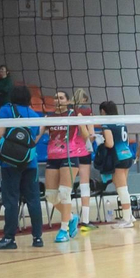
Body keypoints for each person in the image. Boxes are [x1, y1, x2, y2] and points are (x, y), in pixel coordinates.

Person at [0, 84, 44, 249]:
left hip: (9, 163)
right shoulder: (34, 115)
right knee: (33, 200)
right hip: (30, 162)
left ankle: (9, 239)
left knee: (11, 200)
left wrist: (7, 143)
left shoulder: (6, 110)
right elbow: (33, 141)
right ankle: (37, 238)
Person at [41, 90, 80, 242]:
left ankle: (64, 229)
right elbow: (38, 135)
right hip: (53, 157)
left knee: (64, 193)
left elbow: (86, 133)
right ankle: (71, 217)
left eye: (61, 98)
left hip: (70, 156)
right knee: (50, 195)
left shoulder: (74, 115)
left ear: (67, 101)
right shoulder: (48, 118)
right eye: (56, 97)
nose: (58, 100)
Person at [95, 100, 136, 228]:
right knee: (124, 187)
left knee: (121, 189)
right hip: (127, 155)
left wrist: (100, 141)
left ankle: (126, 220)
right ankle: (130, 216)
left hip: (118, 157)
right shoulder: (121, 122)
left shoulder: (107, 124)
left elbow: (110, 144)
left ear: (103, 111)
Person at [67, 88, 96, 230]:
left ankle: (68, 219)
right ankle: (85, 221)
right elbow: (91, 134)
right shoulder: (87, 111)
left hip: (69, 151)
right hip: (83, 150)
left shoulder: (67, 111)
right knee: (84, 185)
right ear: (84, 99)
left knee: (67, 187)